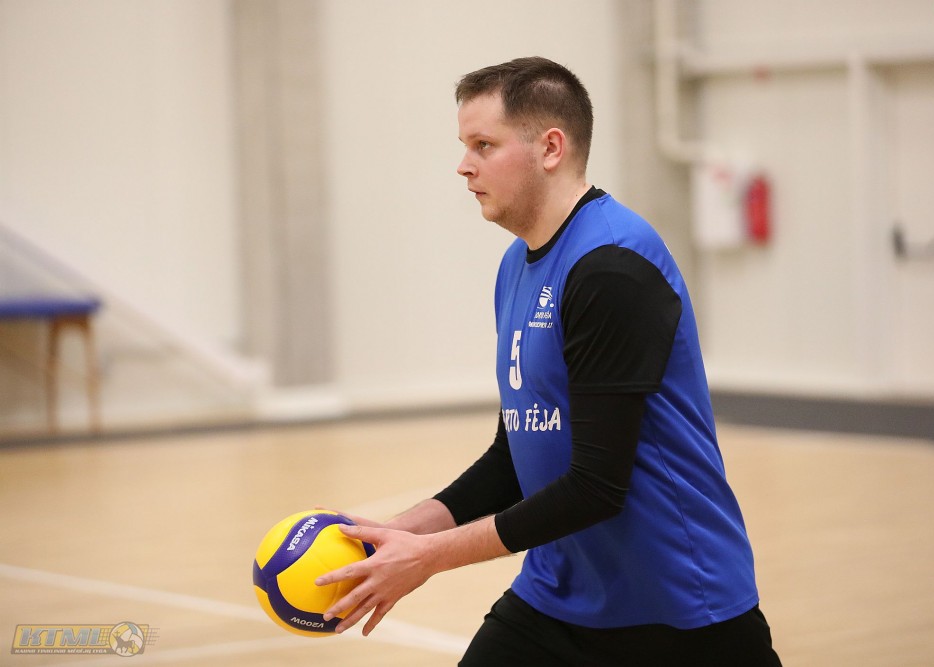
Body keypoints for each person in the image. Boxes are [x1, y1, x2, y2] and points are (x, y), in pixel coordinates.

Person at [316, 56, 781, 666]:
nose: (464, 165)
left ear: (551, 149)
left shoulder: (612, 266)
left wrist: (429, 558)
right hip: (557, 596)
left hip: (678, 607)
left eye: (484, 145)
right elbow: (515, 456)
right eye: (464, 146)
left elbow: (596, 487)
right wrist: (401, 532)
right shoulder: (517, 265)